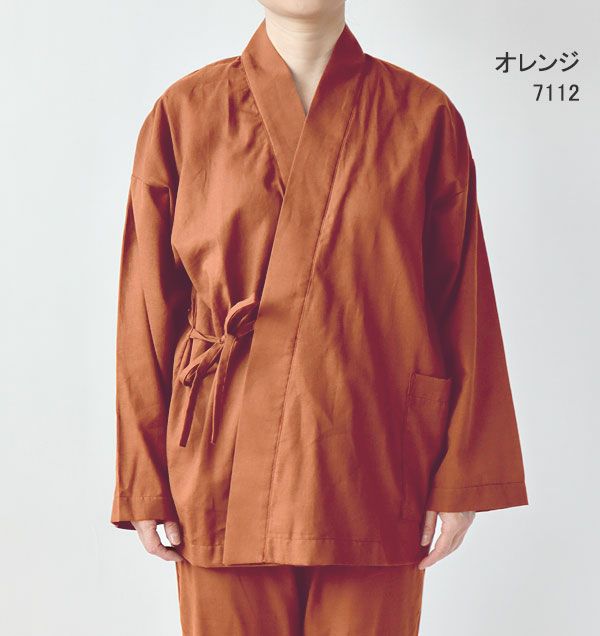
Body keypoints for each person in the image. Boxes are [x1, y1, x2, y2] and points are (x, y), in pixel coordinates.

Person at [110, 1, 528, 634]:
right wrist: (143, 477)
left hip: (375, 458)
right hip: (224, 463)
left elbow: (463, 302)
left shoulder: (424, 116)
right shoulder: (185, 113)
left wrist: (462, 474)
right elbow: (146, 309)